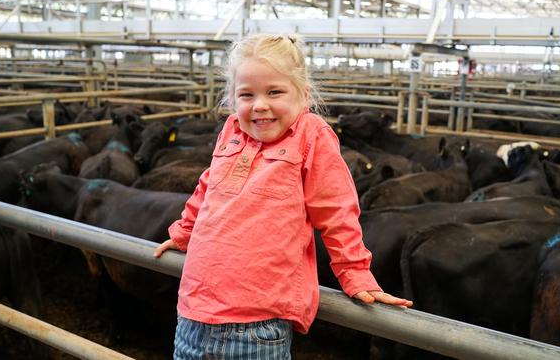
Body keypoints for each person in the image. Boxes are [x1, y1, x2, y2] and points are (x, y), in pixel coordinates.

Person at [153, 33, 412, 359]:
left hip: (256, 322)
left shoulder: (311, 135)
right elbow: (208, 187)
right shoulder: (231, 131)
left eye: (274, 91)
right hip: (193, 309)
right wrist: (184, 232)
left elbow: (336, 211)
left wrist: (356, 274)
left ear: (303, 95)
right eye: (246, 94)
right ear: (232, 100)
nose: (259, 104)